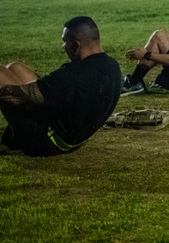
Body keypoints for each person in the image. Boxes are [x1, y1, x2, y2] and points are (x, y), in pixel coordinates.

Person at [0, 17, 121, 156]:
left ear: (76, 45)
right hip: (75, 132)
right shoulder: (112, 66)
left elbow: (14, 96)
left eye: (65, 42)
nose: (63, 47)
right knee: (16, 68)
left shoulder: (73, 75)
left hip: (48, 140)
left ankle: (19, 136)